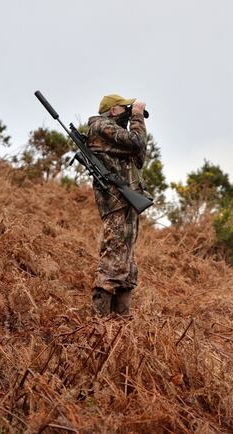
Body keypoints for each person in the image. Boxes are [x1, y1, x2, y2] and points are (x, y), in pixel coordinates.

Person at [86, 94, 149, 316]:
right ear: (113, 111)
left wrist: (136, 121)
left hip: (128, 202)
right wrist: (138, 118)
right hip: (115, 202)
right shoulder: (101, 125)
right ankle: (98, 325)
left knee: (127, 264)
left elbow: (140, 155)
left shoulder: (116, 134)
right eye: (125, 108)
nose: (129, 111)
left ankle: (121, 326)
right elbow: (137, 142)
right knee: (112, 260)